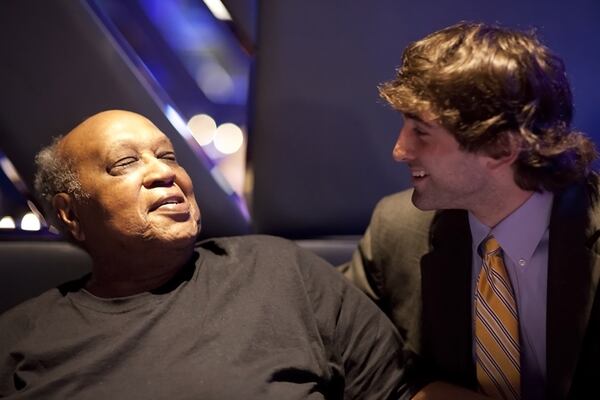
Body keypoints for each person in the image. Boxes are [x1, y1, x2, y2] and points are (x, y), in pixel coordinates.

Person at [0, 109, 407, 399]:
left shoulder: (279, 270)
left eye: (168, 156)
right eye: (125, 162)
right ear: (71, 213)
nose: (164, 173)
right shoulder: (19, 340)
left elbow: (403, 391)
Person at [340, 22, 600, 400]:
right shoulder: (395, 228)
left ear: (501, 148)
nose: (399, 150)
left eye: (421, 132)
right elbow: (348, 353)